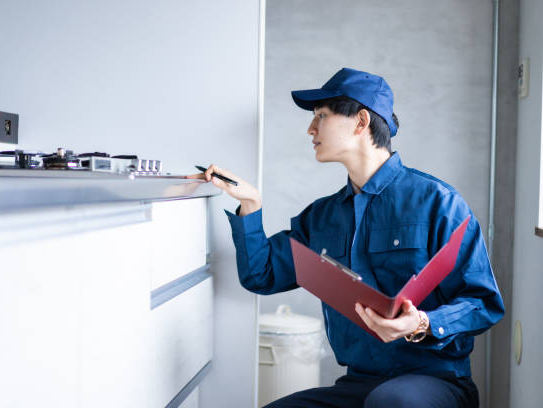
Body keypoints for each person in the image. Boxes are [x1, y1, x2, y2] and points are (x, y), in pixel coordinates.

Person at [189, 68, 504, 408]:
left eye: (321, 116)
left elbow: (483, 301)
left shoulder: (438, 202)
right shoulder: (323, 217)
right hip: (359, 384)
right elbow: (261, 274)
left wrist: (423, 322)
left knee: (393, 402)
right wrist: (251, 204)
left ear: (360, 121)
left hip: (434, 380)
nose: (311, 129)